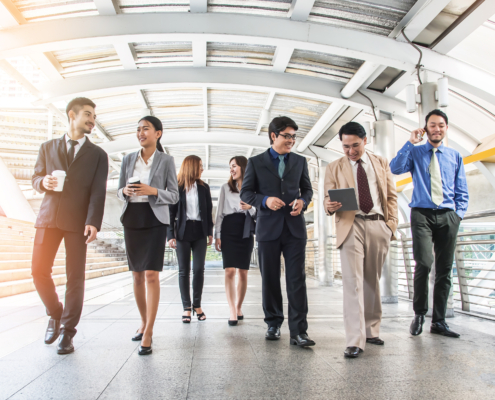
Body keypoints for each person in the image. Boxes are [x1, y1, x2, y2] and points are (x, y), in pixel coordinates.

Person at [31, 97, 109, 355]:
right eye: (87, 114)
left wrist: (93, 222)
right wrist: (43, 183)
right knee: (38, 270)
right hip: (48, 218)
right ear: (71, 115)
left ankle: (67, 332)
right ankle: (55, 312)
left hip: (78, 222)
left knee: (75, 277)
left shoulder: (98, 154)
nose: (92, 120)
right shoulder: (47, 146)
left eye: (94, 117)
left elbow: (98, 192)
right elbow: (36, 177)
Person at [390, 109, 468, 338]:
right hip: (422, 214)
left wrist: (458, 214)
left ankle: (439, 321)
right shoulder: (415, 152)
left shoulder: (455, 156)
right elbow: (395, 168)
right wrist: (409, 142)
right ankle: (420, 314)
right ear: (426, 129)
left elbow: (461, 189)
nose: (437, 129)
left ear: (446, 128)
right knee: (423, 263)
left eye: (441, 125)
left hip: (447, 216)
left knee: (444, 269)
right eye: (432, 125)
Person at [324, 122, 398, 358]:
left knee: (371, 280)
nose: (351, 151)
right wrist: (328, 205)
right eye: (346, 146)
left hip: (378, 224)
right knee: (352, 282)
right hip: (350, 224)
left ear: (365, 141)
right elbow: (327, 197)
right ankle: (355, 339)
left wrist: (391, 226)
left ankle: (371, 330)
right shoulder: (334, 167)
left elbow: (391, 195)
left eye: (355, 145)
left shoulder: (380, 162)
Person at [240, 116, 314, 347]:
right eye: (287, 136)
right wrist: (264, 200)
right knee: (270, 278)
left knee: (296, 280)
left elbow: (308, 190)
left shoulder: (301, 161)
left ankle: (299, 331)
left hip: (294, 228)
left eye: (293, 136)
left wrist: (303, 201)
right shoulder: (255, 162)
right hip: (268, 228)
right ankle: (273, 323)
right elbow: (246, 193)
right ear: (274, 136)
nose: (291, 140)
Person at [117, 116, 179, 356]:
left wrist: (152, 190)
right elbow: (119, 191)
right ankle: (143, 321)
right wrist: (125, 190)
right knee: (136, 276)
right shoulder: (127, 159)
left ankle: (149, 331)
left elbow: (174, 195)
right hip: (132, 216)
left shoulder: (166, 161)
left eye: (145, 129)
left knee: (151, 275)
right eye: (138, 129)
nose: (141, 133)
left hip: (154, 219)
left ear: (158, 133)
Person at [167, 156, 213, 323]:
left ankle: (197, 305)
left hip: (200, 231)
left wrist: (210, 232)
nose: (202, 169)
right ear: (191, 167)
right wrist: (170, 235)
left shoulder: (204, 187)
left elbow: (208, 212)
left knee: (199, 269)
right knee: (183, 270)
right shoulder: (177, 187)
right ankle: (187, 307)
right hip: (182, 232)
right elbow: (170, 213)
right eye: (200, 166)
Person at [215, 156, 256, 326]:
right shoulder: (225, 187)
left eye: (234, 166)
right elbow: (219, 213)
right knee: (229, 270)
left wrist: (250, 207)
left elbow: (258, 212)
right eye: (230, 167)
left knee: (243, 271)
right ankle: (232, 310)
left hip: (246, 227)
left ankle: (239, 307)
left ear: (243, 167)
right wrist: (217, 234)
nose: (231, 169)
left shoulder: (253, 188)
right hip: (228, 227)